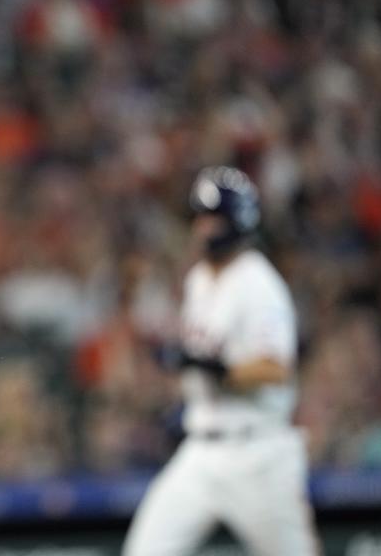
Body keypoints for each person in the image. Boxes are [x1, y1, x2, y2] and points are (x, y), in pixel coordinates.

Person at [122, 166, 318, 556]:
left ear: (238, 221)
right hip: (201, 451)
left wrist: (216, 369)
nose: (205, 227)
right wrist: (178, 361)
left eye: (215, 218)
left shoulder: (259, 285)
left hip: (257, 455)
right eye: (201, 217)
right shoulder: (199, 280)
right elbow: (197, 354)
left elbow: (277, 367)